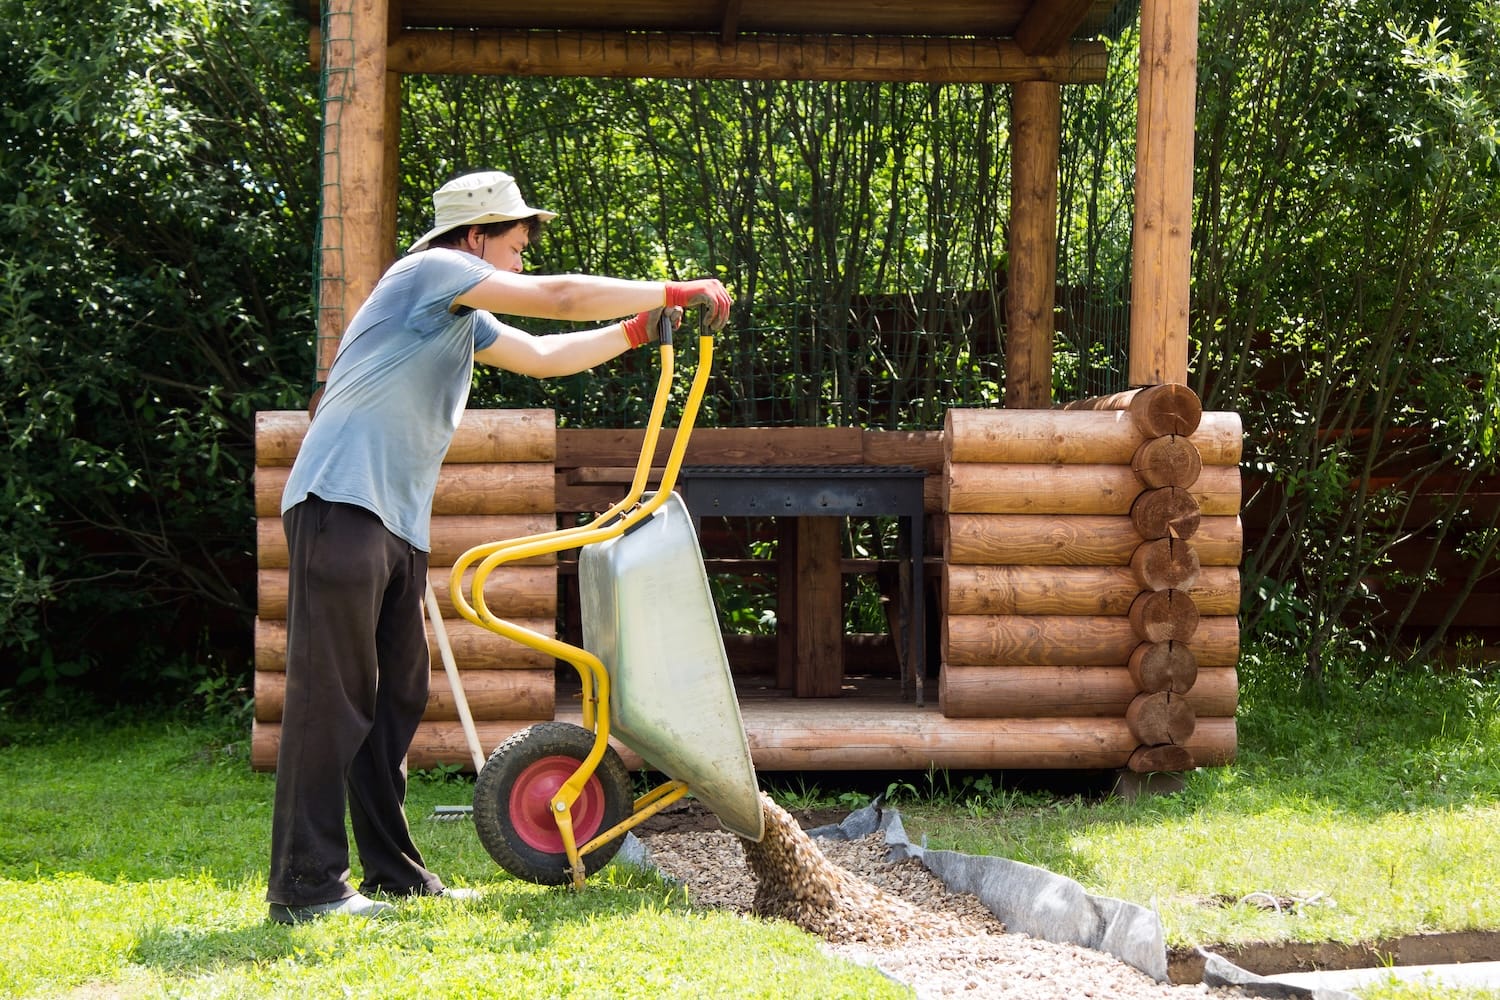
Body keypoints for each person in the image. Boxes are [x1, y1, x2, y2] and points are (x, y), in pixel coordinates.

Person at [267, 170, 731, 924]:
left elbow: (544, 355)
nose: (518, 265)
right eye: (513, 248)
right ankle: (305, 885)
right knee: (334, 700)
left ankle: (391, 874)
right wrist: (669, 291)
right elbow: (558, 299)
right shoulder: (431, 271)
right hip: (339, 505)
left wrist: (639, 331)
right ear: (476, 238)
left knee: (394, 700)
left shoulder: (460, 315)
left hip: (390, 521)